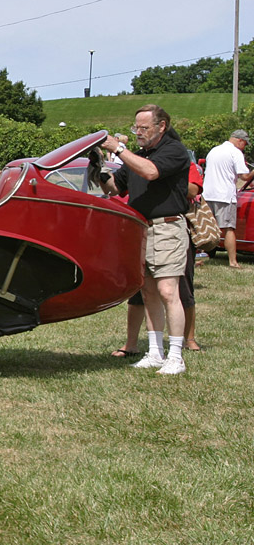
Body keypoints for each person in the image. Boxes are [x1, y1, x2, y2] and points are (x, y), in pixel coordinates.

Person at [99, 105, 190, 375]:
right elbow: (115, 188)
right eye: (135, 128)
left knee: (167, 292)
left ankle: (175, 355)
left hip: (167, 228)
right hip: (142, 229)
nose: (138, 133)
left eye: (143, 128)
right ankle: (155, 352)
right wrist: (101, 171)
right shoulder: (138, 155)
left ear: (162, 126)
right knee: (148, 292)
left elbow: (151, 172)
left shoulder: (174, 150)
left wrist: (119, 150)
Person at [112, 152, 203, 357]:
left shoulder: (179, 160)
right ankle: (132, 343)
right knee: (141, 291)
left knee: (180, 289)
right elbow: (115, 187)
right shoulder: (137, 163)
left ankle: (188, 339)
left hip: (173, 231)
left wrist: (168, 178)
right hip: (143, 229)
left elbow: (193, 189)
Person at [202, 129, 254, 269]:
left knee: (205, 228)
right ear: (240, 141)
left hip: (207, 194)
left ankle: (199, 258)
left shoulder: (214, 150)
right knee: (229, 228)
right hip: (224, 195)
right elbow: (245, 177)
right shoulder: (235, 152)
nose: (244, 147)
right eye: (245, 144)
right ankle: (232, 261)